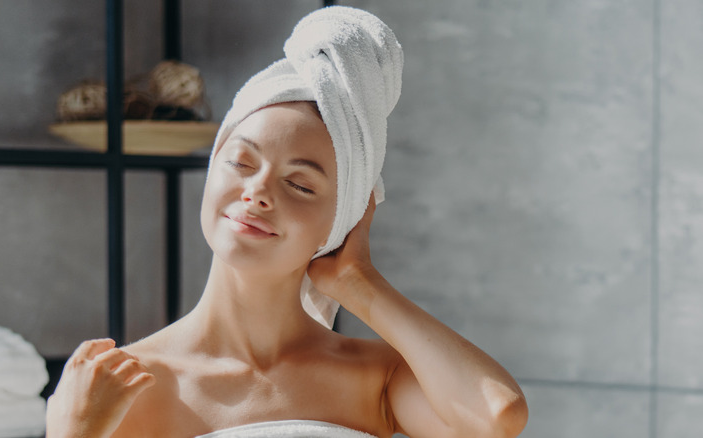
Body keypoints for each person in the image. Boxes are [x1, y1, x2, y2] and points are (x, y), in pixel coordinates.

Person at [45, 6, 528, 438]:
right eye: (240, 162)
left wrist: (360, 283)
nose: (257, 192)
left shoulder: (376, 379)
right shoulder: (123, 385)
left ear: (342, 218)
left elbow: (496, 418)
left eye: (300, 185)